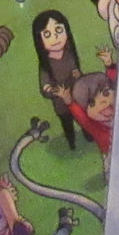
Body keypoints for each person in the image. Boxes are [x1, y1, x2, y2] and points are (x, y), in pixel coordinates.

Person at [31, 9, 83, 148]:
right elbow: (45, 87)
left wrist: (77, 75)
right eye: (47, 35)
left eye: (59, 30)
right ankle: (71, 143)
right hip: (61, 105)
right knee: (67, 124)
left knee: (83, 119)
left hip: (77, 97)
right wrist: (54, 91)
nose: (55, 38)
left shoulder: (69, 54)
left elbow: (77, 73)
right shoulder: (45, 65)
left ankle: (88, 134)